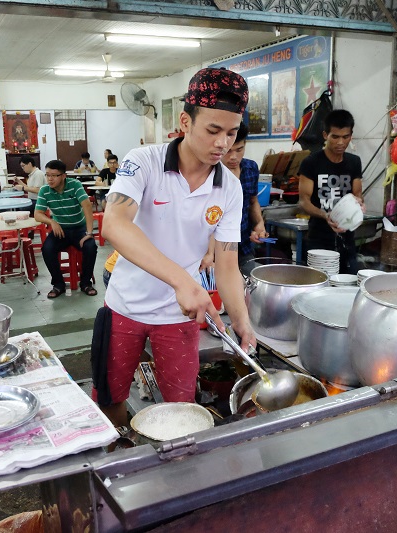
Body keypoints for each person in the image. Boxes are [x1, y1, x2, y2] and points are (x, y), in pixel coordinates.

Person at [95, 67, 257, 427]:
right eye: (213, 130)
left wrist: (243, 323)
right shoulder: (144, 162)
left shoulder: (229, 188)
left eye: (231, 133)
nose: (222, 144)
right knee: (110, 397)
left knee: (181, 412)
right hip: (125, 306)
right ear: (186, 121)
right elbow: (115, 224)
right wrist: (183, 282)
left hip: (179, 318)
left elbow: (228, 264)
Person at [297, 109, 365, 274]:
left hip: (347, 237)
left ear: (351, 136)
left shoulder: (354, 162)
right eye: (335, 137)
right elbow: (303, 201)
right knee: (319, 284)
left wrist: (360, 205)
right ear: (325, 135)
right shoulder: (311, 163)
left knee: (349, 285)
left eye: (345, 137)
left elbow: (357, 195)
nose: (341, 142)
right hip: (319, 238)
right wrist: (325, 215)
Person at [34, 160, 98, 298]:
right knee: (47, 249)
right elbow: (37, 214)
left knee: (91, 246)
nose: (49, 179)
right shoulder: (45, 190)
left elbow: (87, 206)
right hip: (60, 230)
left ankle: (86, 283)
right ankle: (58, 284)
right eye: (47, 175)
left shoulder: (75, 185)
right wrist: (52, 222)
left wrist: (89, 233)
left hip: (79, 229)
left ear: (63, 176)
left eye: (54, 175)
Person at [223, 122, 268, 266]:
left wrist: (259, 224)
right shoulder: (210, 173)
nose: (234, 157)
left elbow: (253, 201)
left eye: (239, 150)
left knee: (251, 283)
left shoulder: (251, 168)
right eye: (228, 151)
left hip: (244, 245)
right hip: (218, 248)